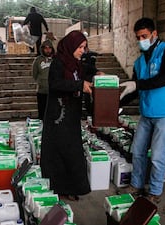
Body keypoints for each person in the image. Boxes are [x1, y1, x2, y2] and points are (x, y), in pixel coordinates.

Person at [119, 18, 165, 203]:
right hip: (147, 112)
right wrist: (116, 100)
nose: (141, 40)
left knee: (157, 154)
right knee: (137, 150)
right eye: (138, 37)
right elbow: (136, 88)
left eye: (145, 36)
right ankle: (136, 184)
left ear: (154, 34)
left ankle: (155, 191)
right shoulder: (140, 62)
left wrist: (136, 84)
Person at [40, 30, 93, 201]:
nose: (82, 51)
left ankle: (72, 187)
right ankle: (59, 187)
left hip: (71, 115)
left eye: (84, 47)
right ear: (70, 46)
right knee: (59, 153)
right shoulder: (58, 63)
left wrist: (95, 75)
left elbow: (84, 74)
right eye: (79, 47)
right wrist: (79, 85)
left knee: (73, 152)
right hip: (58, 116)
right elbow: (55, 84)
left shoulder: (76, 64)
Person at [32, 39, 55, 120]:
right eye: (45, 48)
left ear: (52, 49)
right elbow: (34, 74)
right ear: (42, 49)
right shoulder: (38, 60)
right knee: (42, 112)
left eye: (49, 48)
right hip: (41, 91)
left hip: (53, 90)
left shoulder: (56, 60)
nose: (48, 50)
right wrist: (41, 82)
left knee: (53, 112)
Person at [81, 44, 105, 117]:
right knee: (86, 95)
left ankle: (92, 112)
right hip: (84, 76)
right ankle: (87, 111)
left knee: (92, 95)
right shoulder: (82, 56)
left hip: (92, 76)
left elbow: (92, 66)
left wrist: (97, 72)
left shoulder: (92, 54)